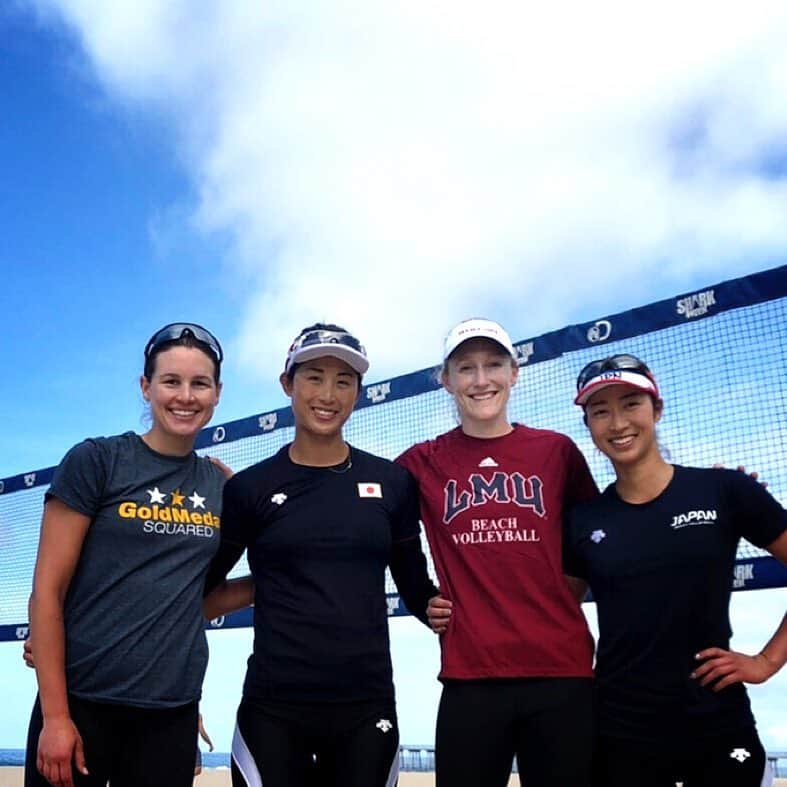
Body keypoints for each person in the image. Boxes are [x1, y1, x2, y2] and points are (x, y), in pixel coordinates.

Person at [203, 322, 439, 787]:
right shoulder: (250, 488)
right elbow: (196, 590)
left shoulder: (392, 483)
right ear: (287, 384)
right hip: (274, 707)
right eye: (314, 376)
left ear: (358, 392)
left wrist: (462, 607)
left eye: (343, 380)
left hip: (365, 706)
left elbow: (419, 590)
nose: (328, 393)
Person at [25, 322, 250, 787]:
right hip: (83, 702)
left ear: (217, 393)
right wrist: (56, 717)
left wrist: (279, 580)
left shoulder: (222, 487)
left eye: (199, 383)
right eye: (171, 381)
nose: (185, 396)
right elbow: (47, 592)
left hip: (170, 713)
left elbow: (192, 601)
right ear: (146, 387)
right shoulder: (98, 461)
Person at [564, 353, 787, 787]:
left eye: (631, 403)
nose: (617, 423)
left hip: (716, 724)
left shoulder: (725, 490)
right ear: (588, 426)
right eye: (600, 411)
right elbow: (554, 611)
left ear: (657, 409)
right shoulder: (582, 521)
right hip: (619, 731)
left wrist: (765, 661)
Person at [396, 318, 598, 787]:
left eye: (493, 365)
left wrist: (705, 490)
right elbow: (371, 520)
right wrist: (419, 595)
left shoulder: (556, 451)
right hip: (472, 675)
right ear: (445, 380)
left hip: (561, 672)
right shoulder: (420, 461)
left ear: (515, 373)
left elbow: (598, 532)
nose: (481, 379)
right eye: (466, 368)